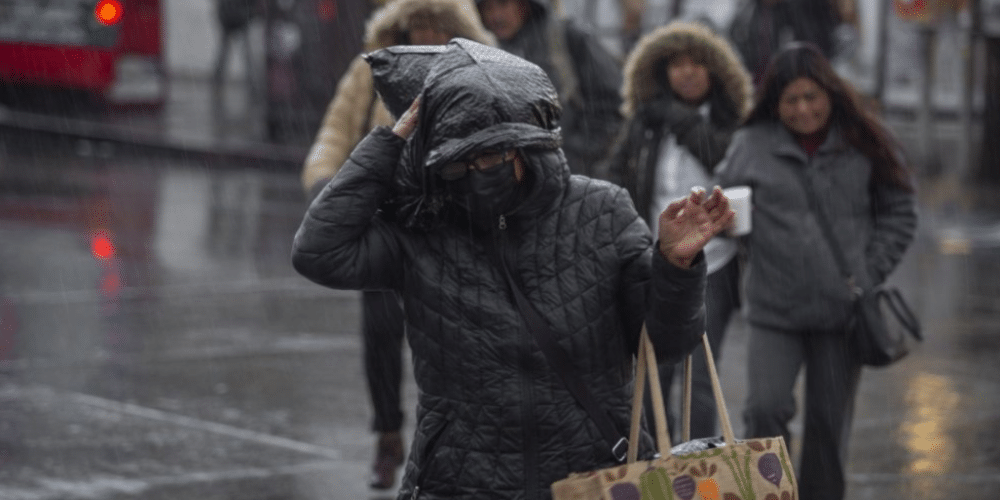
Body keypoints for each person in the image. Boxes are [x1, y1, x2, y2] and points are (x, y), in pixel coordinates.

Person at [291, 38, 734, 499]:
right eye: (460, 160)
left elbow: (669, 342)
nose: (478, 169)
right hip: (460, 479)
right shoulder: (423, 227)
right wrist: (391, 140)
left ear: (525, 145)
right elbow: (318, 251)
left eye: (492, 154)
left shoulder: (602, 211)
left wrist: (675, 265)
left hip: (592, 475)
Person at [298, 0, 495, 490]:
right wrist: (328, 184)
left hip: (452, 225)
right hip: (387, 220)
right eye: (417, 23)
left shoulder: (475, 69)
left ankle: (459, 444)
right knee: (381, 336)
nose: (424, 33)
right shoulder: (372, 69)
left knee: (460, 341)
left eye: (435, 24)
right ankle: (388, 436)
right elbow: (336, 130)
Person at [714, 43, 917, 500]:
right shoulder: (751, 145)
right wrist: (725, 223)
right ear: (774, 103)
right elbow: (722, 208)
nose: (803, 109)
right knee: (764, 414)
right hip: (773, 309)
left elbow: (901, 211)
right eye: (791, 100)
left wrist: (869, 272)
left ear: (830, 93)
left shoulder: (863, 141)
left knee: (827, 428)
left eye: (812, 97)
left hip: (841, 314)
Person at [598, 21, 752, 441]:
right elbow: (617, 178)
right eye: (677, 64)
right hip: (653, 259)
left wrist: (682, 120)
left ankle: (699, 468)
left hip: (714, 264)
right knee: (653, 375)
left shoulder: (731, 124)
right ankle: (656, 467)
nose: (687, 72)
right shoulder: (646, 122)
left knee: (701, 378)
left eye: (697, 63)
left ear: (715, 71)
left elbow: (724, 159)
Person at [475, 0, 623, 177]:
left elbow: (614, 105)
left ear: (524, 6)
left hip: (574, 179)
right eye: (488, 8)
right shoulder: (482, 52)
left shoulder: (565, 37)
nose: (495, 16)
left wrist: (575, 155)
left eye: (503, 5)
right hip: (520, 186)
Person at [728, 0, 842, 87]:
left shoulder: (800, 10)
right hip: (757, 86)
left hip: (794, 84)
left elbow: (815, 49)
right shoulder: (746, 13)